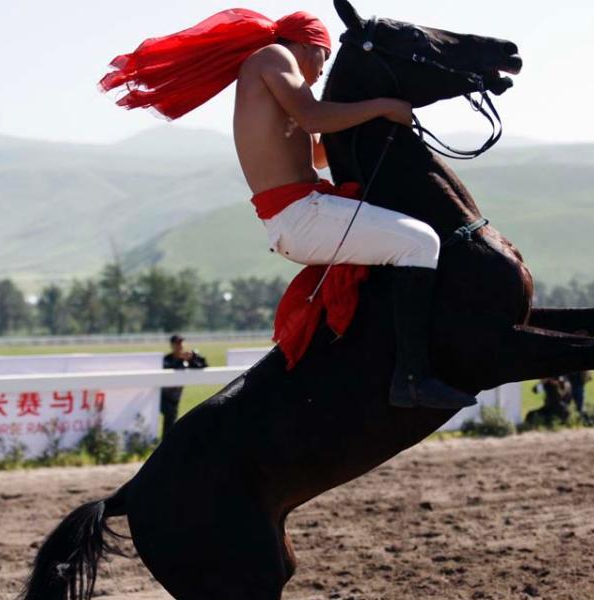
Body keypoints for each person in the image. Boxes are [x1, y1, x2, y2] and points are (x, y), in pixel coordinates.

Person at [101, 9, 476, 411]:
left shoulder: (278, 82)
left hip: (301, 214)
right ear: (307, 46)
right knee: (420, 243)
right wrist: (384, 105)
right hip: (302, 215)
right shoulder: (273, 57)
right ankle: (412, 379)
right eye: (323, 57)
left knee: (405, 243)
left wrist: (373, 112)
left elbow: (319, 152)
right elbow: (313, 118)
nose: (321, 71)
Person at [161, 335, 208, 437]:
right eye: (177, 343)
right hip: (163, 396)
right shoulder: (167, 359)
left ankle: (167, 440)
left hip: (175, 397)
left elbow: (203, 366)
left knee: (171, 420)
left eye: (181, 342)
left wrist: (192, 358)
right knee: (170, 417)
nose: (180, 345)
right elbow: (168, 369)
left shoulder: (187, 359)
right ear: (172, 345)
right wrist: (180, 360)